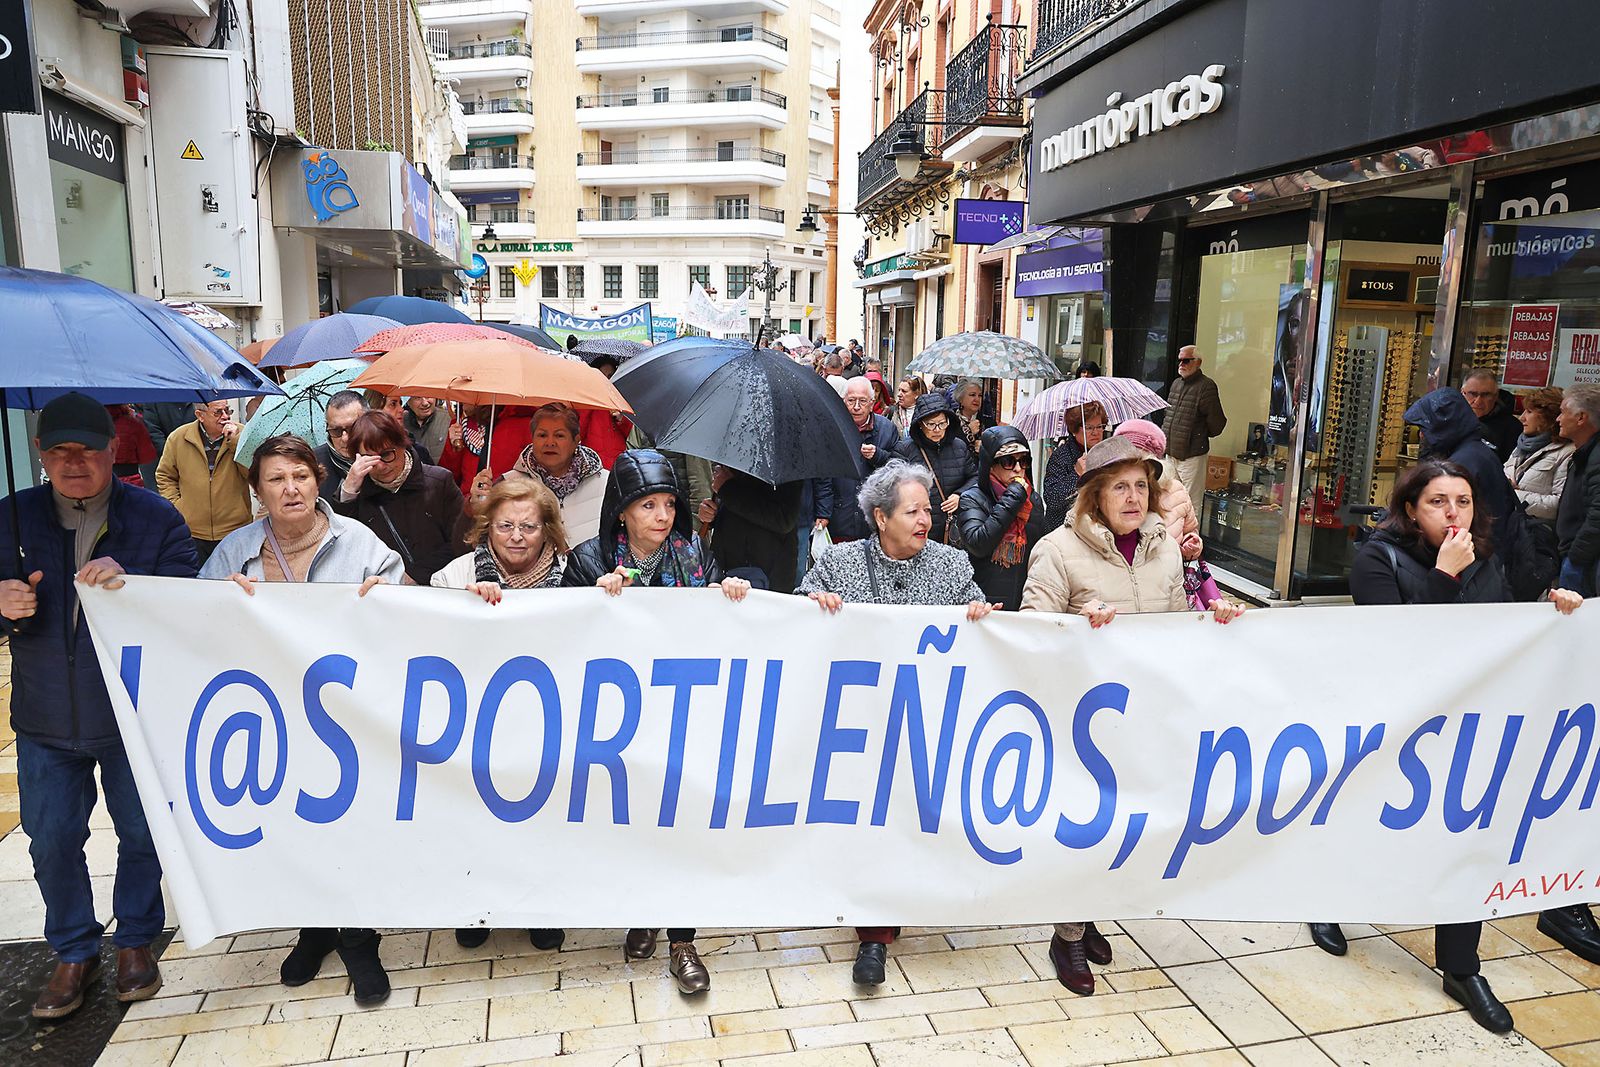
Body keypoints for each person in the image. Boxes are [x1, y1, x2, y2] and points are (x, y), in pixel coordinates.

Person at [1318, 458, 1583, 1033]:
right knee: (1372, 822)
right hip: (1397, 725)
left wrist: (1552, 609)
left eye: (1462, 501)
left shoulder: (1485, 555)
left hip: (1469, 723)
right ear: (1411, 510)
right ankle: (1326, 899)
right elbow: (1398, 647)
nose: (1453, 513)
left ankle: (1462, 967)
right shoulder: (1377, 558)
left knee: (1465, 837)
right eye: (1438, 502)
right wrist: (1444, 576)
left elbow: (1502, 629)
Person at [1020, 436, 1243, 996]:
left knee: (1125, 824)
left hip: (1145, 713)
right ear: (1095, 495)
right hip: (1083, 719)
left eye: (1141, 485)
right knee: (1084, 825)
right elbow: (1031, 632)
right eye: (1119, 486)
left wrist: (1211, 614)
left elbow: (1177, 621)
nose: (1133, 496)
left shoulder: (1163, 546)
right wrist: (1078, 621)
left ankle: (1092, 915)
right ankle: (1067, 935)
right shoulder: (1056, 549)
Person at [0, 394, 197, 1020]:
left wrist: (135, 582)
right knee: (52, 840)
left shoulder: (155, 518)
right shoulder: (11, 517)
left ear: (114, 451)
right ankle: (73, 949)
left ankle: (135, 939)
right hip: (44, 718)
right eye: (59, 451)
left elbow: (190, 601)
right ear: (40, 454)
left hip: (132, 716)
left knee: (141, 832)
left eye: (87, 450)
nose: (74, 462)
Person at [200, 434, 404, 1006]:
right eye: (276, 479)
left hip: (346, 717)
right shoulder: (235, 552)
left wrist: (387, 595)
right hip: (273, 715)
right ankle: (314, 929)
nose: (290, 489)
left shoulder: (358, 542)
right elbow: (194, 621)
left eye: (300, 476)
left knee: (349, 823)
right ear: (258, 491)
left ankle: (359, 938)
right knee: (292, 823)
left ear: (318, 481)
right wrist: (217, 600)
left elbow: (406, 612)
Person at [563, 449, 752, 995]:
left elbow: (722, 630)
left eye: (669, 504)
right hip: (619, 721)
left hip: (684, 715)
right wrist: (592, 601)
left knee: (683, 823)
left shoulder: (697, 555)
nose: (663, 516)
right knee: (635, 822)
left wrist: (729, 594)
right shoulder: (588, 560)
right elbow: (560, 634)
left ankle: (682, 941)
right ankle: (643, 910)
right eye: (648, 505)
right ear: (622, 510)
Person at [799, 460, 995, 985]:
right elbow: (796, 615)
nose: (925, 519)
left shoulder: (951, 565)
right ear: (881, 517)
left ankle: (899, 903)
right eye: (912, 511)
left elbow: (981, 617)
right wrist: (815, 603)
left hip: (926, 719)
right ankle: (874, 934)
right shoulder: (840, 563)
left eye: (927, 510)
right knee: (875, 822)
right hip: (861, 724)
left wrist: (980, 617)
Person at [432, 476, 570, 951]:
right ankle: (478, 904)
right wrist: (463, 607)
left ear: (547, 529)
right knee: (477, 820)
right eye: (505, 525)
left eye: (528, 527)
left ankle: (540, 907)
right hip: (479, 724)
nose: (516, 536)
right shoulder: (455, 576)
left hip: (547, 722)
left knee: (543, 822)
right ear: (487, 526)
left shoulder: (573, 576)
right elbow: (426, 632)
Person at [334, 409, 467, 585]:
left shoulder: (439, 481)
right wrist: (348, 491)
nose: (381, 466)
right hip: (386, 590)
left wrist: (415, 575)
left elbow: (463, 540)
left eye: (386, 454)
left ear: (402, 445)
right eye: (370, 459)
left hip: (443, 586)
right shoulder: (357, 494)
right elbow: (344, 547)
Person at [1404, 387, 1515, 544]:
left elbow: (1449, 515)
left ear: (1442, 427)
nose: (1422, 435)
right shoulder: (1474, 451)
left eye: (1426, 428)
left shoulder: (1463, 463)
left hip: (1477, 547)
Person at [154, 398, 253, 565]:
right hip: (192, 531)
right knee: (196, 577)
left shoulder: (243, 434)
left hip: (234, 529)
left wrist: (235, 442)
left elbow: (254, 474)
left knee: (233, 578)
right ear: (200, 415)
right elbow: (165, 475)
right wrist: (177, 507)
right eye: (218, 412)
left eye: (227, 410)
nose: (225, 416)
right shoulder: (179, 437)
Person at [958, 427, 1047, 611]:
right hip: (983, 604)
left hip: (1024, 601)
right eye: (1008, 462)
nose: (1018, 469)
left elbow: (1039, 552)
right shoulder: (971, 499)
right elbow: (978, 544)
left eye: (1024, 461)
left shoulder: (1032, 500)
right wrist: (1013, 497)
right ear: (991, 465)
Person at [512, 403, 610, 543]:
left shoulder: (606, 484)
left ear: (576, 441)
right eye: (542, 435)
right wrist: (481, 500)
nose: (550, 442)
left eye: (559, 435)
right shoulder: (510, 484)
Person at [818, 378, 899, 543]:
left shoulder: (887, 429)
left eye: (862, 401)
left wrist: (877, 456)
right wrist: (823, 512)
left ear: (871, 403)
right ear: (843, 401)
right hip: (840, 516)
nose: (856, 407)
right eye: (851, 401)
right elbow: (823, 475)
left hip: (875, 518)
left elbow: (898, 468)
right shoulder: (832, 428)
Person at [698, 465, 802, 593]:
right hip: (725, 564)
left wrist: (727, 489)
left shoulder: (786, 463)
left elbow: (784, 519)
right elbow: (726, 504)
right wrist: (709, 513)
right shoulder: (733, 459)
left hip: (768, 570)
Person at [893, 390, 976, 546]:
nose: (937, 429)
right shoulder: (904, 449)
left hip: (951, 530)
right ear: (920, 425)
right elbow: (893, 488)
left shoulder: (959, 446)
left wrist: (960, 494)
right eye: (931, 424)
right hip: (917, 528)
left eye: (942, 423)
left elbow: (974, 477)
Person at [1164, 346, 1227, 510]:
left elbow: (1217, 421)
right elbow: (1169, 415)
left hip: (1191, 454)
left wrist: (1199, 435)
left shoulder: (1206, 386)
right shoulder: (1176, 383)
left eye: (1186, 360)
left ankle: (1190, 529)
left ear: (1198, 362)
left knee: (1191, 503)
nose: (1181, 364)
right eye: (1180, 360)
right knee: (1170, 500)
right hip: (1171, 452)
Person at [1555, 385, 1600, 598]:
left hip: (1584, 563)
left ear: (1581, 417)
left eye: (1563, 412)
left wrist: (1576, 558)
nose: (1558, 419)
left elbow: (1598, 515)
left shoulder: (1596, 457)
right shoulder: (1585, 453)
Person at [1504, 385, 1573, 523]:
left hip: (1536, 530)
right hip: (1509, 524)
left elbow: (1560, 505)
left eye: (1529, 412)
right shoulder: (1523, 445)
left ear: (1548, 418)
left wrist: (1512, 494)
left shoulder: (1567, 453)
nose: (1522, 418)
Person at [1040, 401, 1107, 532]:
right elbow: (1051, 499)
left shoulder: (1104, 454)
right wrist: (1076, 474)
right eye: (1089, 428)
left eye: (1099, 426)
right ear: (1075, 430)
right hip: (1065, 531)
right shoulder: (1061, 456)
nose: (1096, 432)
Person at [576, 355, 633, 468]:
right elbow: (578, 432)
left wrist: (621, 418)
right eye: (602, 376)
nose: (606, 380)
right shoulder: (584, 399)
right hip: (594, 463)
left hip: (618, 462)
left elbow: (629, 435)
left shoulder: (621, 398)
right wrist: (591, 403)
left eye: (610, 376)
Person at [315, 390, 366, 501]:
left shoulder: (387, 452)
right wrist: (346, 492)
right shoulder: (313, 463)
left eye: (353, 428)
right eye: (336, 430)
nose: (345, 438)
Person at [1462, 368, 1521, 462]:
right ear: (1462, 393)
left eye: (1486, 395)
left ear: (1496, 396)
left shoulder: (1512, 428)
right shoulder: (1452, 419)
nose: (1478, 401)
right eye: (1472, 394)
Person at [107, 404, 156, 487]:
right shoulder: (134, 424)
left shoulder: (90, 426)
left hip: (100, 480)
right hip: (130, 480)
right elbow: (147, 457)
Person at [949, 379, 994, 453]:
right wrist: (969, 432)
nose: (977, 399)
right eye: (972, 395)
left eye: (980, 395)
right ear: (960, 398)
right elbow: (949, 448)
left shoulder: (988, 421)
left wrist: (985, 448)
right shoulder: (950, 421)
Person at [404, 395, 450, 464]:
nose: (425, 403)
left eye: (428, 395)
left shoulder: (449, 421)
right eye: (418, 398)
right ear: (408, 401)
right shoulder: (400, 423)